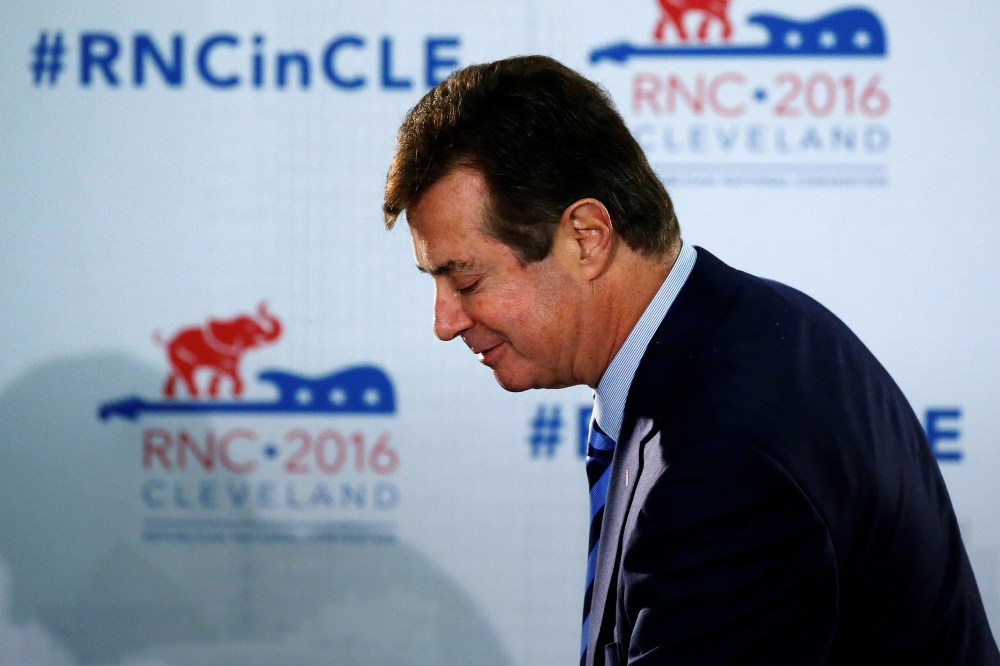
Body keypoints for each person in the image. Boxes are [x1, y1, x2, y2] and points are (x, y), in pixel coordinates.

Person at [382, 55, 999, 665]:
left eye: (464, 281)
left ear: (586, 237)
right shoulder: (760, 324)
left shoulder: (714, 460)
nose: (444, 322)